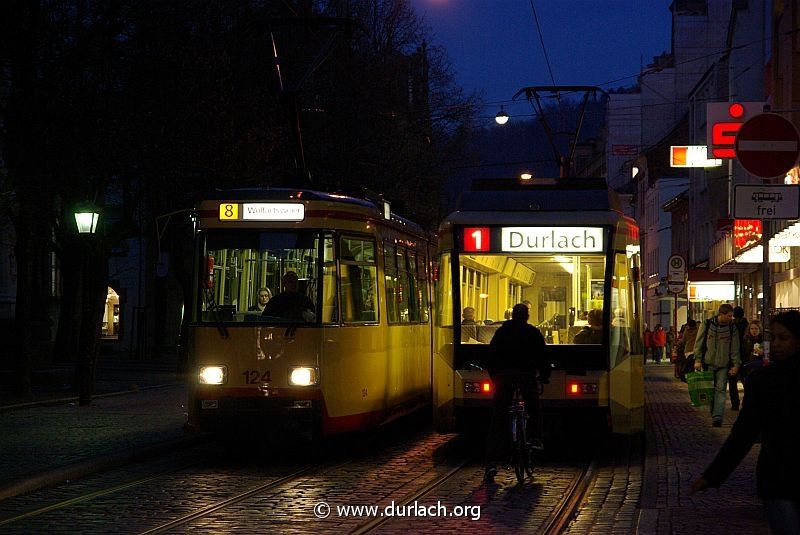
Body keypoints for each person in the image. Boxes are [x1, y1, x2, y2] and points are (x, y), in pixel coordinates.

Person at [690, 311, 800, 534]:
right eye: (774, 338)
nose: (776, 344)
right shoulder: (763, 381)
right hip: (778, 477)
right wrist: (713, 475)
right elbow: (743, 434)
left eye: (784, 338)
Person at [484, 303, 551, 482]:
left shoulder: (502, 332)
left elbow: (491, 355)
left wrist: (494, 376)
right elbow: (543, 356)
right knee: (533, 406)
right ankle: (536, 437)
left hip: (504, 377)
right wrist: (544, 376)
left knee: (498, 416)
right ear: (526, 316)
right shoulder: (533, 332)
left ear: (512, 315)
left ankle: (491, 461)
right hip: (526, 376)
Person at [694, 303, 741, 427]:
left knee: (720, 390)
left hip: (723, 365)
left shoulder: (732, 328)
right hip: (708, 363)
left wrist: (736, 365)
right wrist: (697, 360)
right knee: (709, 390)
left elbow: (735, 348)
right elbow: (699, 342)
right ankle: (713, 412)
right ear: (721, 314)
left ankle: (717, 416)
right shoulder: (707, 324)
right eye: (729, 316)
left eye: (732, 316)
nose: (731, 318)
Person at [729, 306, 749, 410]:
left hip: (733, 357)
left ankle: (735, 404)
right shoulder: (747, 325)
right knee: (745, 381)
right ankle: (747, 402)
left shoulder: (732, 326)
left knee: (732, 382)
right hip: (744, 357)